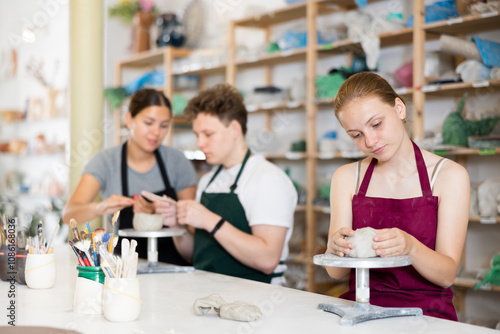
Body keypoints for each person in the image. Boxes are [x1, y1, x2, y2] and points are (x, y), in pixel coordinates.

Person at [324, 72, 470, 320]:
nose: (370, 141)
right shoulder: (347, 177)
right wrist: (335, 247)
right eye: (356, 135)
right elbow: (334, 272)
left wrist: (410, 247)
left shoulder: (449, 176)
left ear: (399, 109)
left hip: (426, 316)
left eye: (376, 124)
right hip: (362, 310)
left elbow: (447, 275)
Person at [147, 84, 297, 284]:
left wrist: (209, 220)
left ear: (234, 129)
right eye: (197, 135)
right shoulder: (209, 181)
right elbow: (194, 254)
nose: (200, 143)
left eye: (208, 134)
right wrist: (176, 224)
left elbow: (267, 259)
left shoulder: (267, 180)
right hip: (208, 293)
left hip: (257, 300)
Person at [63, 88, 197, 265]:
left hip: (174, 266)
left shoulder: (177, 161)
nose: (156, 132)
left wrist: (159, 213)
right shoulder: (105, 161)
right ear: (129, 119)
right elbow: (68, 215)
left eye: (164, 125)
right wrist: (101, 207)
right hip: (123, 271)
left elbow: (193, 228)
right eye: (149, 123)